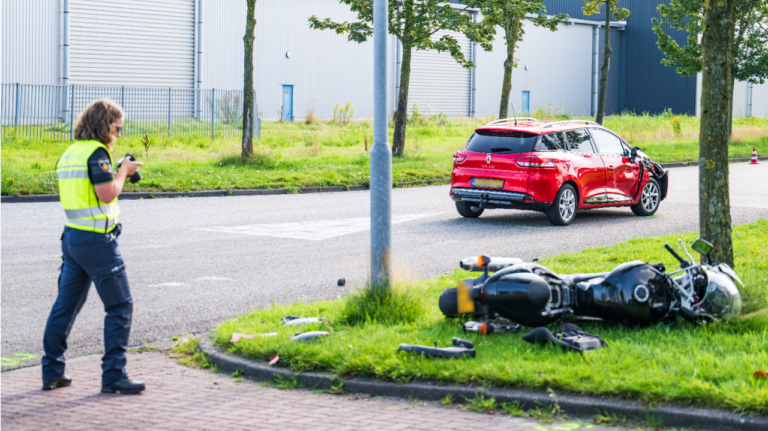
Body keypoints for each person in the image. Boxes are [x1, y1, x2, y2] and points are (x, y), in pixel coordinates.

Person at [42, 99, 145, 394]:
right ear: (104, 126)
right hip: (97, 242)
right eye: (117, 128)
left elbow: (86, 189)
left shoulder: (72, 152)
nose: (118, 135)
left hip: (73, 239)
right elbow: (106, 194)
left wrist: (115, 168)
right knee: (120, 305)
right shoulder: (97, 153)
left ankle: (52, 372)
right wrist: (123, 172)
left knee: (65, 307)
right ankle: (114, 375)